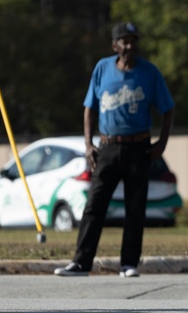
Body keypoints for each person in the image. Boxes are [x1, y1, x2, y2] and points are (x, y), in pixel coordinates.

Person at [55, 22, 175, 277]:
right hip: (107, 147)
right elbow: (90, 107)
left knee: (135, 207)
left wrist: (161, 144)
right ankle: (81, 262)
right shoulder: (102, 68)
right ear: (114, 45)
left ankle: (129, 263)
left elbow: (168, 109)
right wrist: (88, 144)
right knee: (94, 205)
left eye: (133, 40)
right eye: (124, 40)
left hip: (138, 147)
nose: (129, 45)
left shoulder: (149, 72)